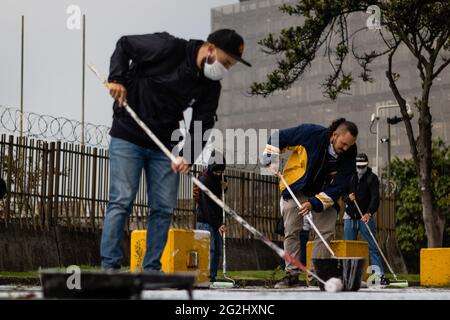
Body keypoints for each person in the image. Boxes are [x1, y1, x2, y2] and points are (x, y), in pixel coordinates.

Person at [100, 29, 251, 271]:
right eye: (225, 62)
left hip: (164, 146)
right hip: (129, 133)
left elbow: (202, 123)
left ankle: (151, 269)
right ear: (210, 48)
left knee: (162, 207)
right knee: (122, 200)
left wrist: (188, 156)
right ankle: (110, 266)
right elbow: (125, 44)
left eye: (230, 66)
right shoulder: (168, 47)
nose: (224, 69)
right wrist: (117, 78)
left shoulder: (211, 87)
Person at [262, 118, 358, 288]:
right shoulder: (310, 133)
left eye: (349, 146)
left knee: (326, 231)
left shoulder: (350, 153)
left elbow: (340, 184)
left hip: (324, 193)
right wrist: (271, 158)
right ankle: (291, 274)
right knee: (292, 229)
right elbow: (278, 137)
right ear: (334, 135)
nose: (346, 149)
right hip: (297, 186)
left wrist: (313, 203)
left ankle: (317, 276)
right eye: (343, 144)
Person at [344, 153, 390, 285]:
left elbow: (375, 198)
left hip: (365, 217)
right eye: (358, 166)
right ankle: (348, 275)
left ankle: (379, 275)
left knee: (372, 247)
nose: (360, 169)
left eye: (363, 166)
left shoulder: (372, 178)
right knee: (349, 247)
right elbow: (342, 192)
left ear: (367, 165)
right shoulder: (350, 176)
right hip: (350, 216)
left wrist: (369, 213)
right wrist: (348, 198)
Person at [194, 157, 227, 282]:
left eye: (220, 171)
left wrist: (225, 187)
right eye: (216, 171)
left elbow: (220, 197)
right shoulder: (204, 179)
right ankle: (204, 276)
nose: (218, 174)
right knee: (209, 250)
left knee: (217, 250)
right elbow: (207, 205)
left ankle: (212, 277)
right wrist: (218, 224)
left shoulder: (221, 177)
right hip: (205, 220)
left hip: (216, 219)